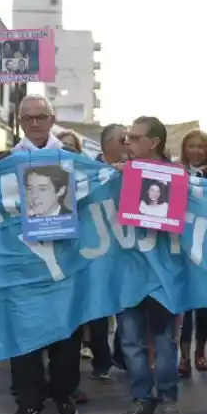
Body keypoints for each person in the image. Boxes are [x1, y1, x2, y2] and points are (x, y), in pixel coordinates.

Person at [7, 95, 81, 414]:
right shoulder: (7, 161)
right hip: (23, 260)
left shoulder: (71, 160)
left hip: (64, 258)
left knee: (66, 331)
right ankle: (28, 402)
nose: (34, 123)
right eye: (28, 118)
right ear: (20, 121)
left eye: (41, 117)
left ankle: (63, 394)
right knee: (24, 334)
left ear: (52, 118)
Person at [114, 115, 183, 414]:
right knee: (130, 341)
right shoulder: (118, 175)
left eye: (135, 137)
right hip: (128, 272)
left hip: (163, 275)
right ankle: (142, 397)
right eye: (127, 137)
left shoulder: (177, 176)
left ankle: (168, 399)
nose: (127, 142)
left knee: (164, 340)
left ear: (154, 142)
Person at [178, 128, 207, 378]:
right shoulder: (175, 171)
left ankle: (201, 352)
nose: (195, 151)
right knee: (184, 303)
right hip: (181, 243)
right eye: (191, 146)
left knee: (203, 304)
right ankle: (184, 356)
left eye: (200, 146)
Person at [88, 123, 127, 379]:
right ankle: (101, 359)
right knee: (98, 307)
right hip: (95, 248)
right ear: (107, 143)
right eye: (123, 139)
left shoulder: (135, 170)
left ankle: (122, 354)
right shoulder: (87, 171)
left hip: (126, 248)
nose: (128, 144)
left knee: (127, 303)